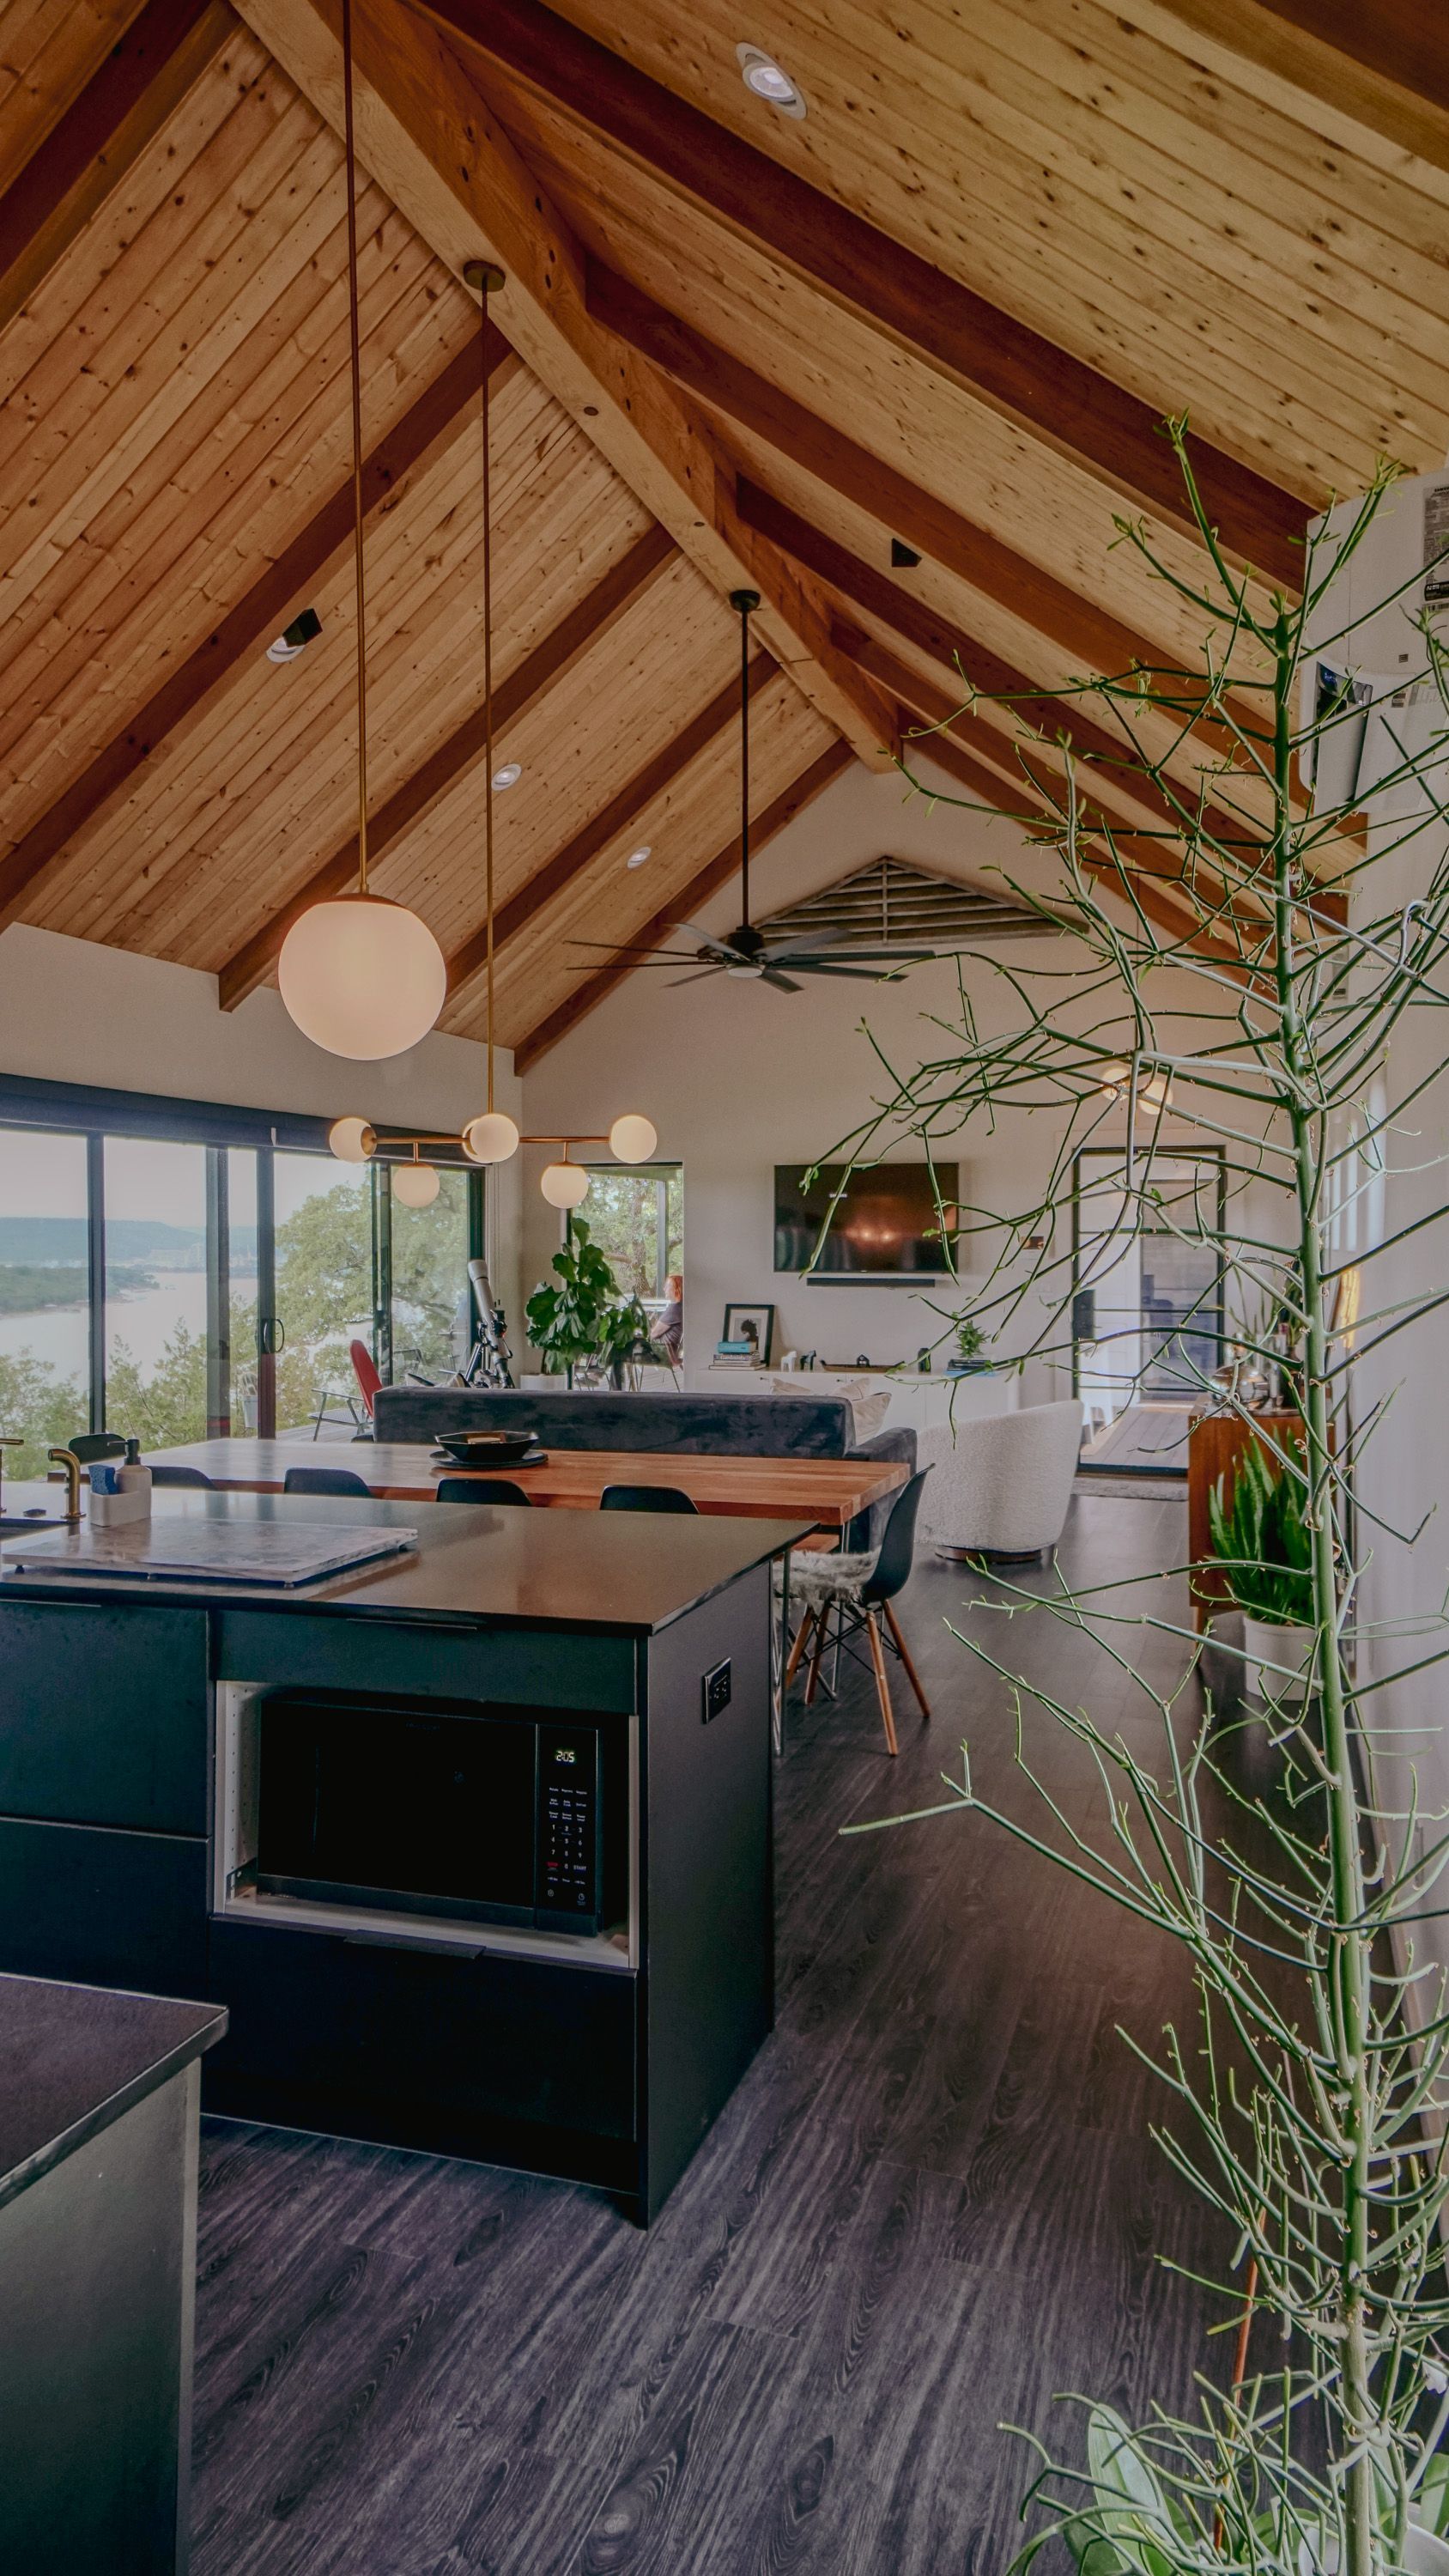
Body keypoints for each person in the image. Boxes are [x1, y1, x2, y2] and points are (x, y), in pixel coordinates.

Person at [654, 1273, 683, 1366]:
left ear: (676, 1289)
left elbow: (654, 1334)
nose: (664, 1289)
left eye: (668, 1286)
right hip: (672, 1351)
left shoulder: (674, 1309)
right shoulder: (683, 1307)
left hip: (661, 1353)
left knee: (621, 1348)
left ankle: (624, 1380)